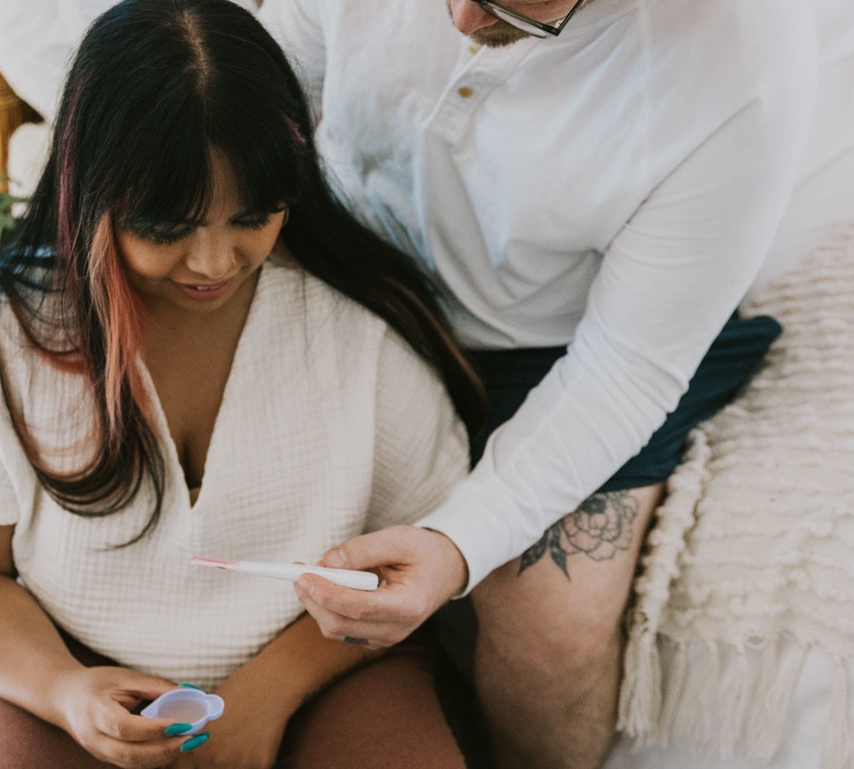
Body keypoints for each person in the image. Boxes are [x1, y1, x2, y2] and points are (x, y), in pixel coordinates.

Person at [0, 2, 485, 768]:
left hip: (316, 668)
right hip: (57, 665)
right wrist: (67, 691)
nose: (213, 264)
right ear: (92, 191)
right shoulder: (1, 335)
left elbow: (415, 571)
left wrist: (270, 693)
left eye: (253, 216)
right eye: (167, 227)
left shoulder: (357, 332)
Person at [257, 0, 838, 767]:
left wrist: (458, 545)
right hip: (341, 258)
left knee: (553, 638)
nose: (463, 20)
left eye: (512, 7)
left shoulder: (743, 55)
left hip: (557, 336)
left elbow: (625, 367)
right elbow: (256, 88)